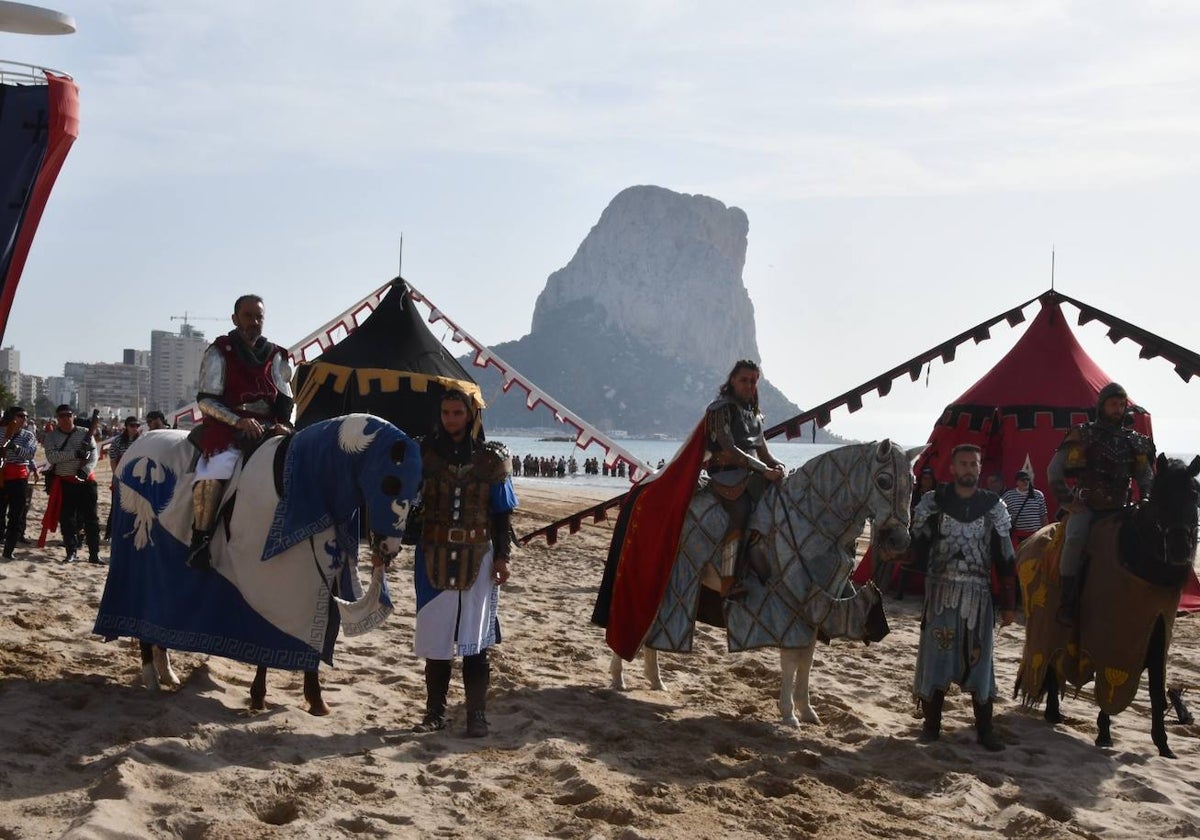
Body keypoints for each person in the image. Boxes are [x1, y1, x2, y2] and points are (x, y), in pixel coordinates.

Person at [412, 389, 517, 737]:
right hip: (432, 556)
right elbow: (402, 500)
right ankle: (435, 713)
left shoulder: (492, 458)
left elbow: (503, 514)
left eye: (457, 412)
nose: (451, 419)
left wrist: (502, 556)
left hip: (479, 555)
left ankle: (476, 715)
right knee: (437, 642)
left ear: (469, 416)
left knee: (476, 641)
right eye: (446, 412)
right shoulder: (422, 453)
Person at [910, 443, 1016, 751]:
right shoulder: (934, 502)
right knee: (936, 658)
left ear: (980, 469)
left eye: (974, 464)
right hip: (940, 591)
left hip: (978, 597)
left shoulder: (993, 506)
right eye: (963, 464)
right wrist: (901, 549)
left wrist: (1009, 605)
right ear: (953, 468)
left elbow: (1005, 557)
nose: (969, 468)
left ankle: (985, 730)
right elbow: (916, 546)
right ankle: (931, 727)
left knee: (980, 662)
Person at [189, 294, 293, 570]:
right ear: (235, 319)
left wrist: (286, 424)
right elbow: (206, 400)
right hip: (228, 429)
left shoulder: (277, 356)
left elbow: (285, 400)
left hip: (268, 429)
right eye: (248, 316)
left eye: (259, 317)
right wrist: (237, 421)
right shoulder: (219, 351)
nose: (254, 322)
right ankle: (200, 538)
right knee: (216, 468)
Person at [1047, 382, 1154, 625]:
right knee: (1075, 537)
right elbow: (1054, 470)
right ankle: (1068, 600)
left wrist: (1146, 497)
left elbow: (1145, 475)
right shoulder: (1083, 433)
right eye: (1113, 404)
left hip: (1122, 510)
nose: (1117, 409)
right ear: (1102, 406)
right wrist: (1067, 501)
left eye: (1121, 405)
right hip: (1088, 507)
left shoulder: (1135, 441)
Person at [703, 359, 786, 599]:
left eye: (753, 381)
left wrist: (777, 465)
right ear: (732, 381)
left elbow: (764, 452)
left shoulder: (756, 416)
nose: (749, 385)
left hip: (750, 474)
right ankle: (728, 581)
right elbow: (729, 449)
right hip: (726, 475)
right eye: (744, 380)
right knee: (740, 513)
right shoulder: (720, 409)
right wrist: (764, 471)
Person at [44, 405, 103, 564]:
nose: (65, 418)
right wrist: (75, 454)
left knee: (91, 519)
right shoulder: (51, 437)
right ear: (57, 418)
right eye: (61, 416)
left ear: (73, 415)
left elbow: (94, 456)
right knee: (67, 519)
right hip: (65, 483)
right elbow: (52, 457)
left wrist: (84, 471)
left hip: (86, 483)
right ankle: (71, 552)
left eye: (68, 415)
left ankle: (94, 554)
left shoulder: (84, 433)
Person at [0, 406, 36, 558]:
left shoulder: (28, 436)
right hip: (1, 476)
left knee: (16, 516)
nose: (24, 419)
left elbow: (29, 454)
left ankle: (9, 550)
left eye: (26, 416)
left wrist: (13, 446)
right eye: (21, 415)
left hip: (19, 478)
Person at [105, 417, 142, 541]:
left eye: (137, 425)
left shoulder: (142, 440)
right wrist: (118, 476)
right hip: (121, 476)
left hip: (137, 477)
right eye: (132, 425)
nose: (135, 428)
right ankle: (109, 534)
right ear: (126, 426)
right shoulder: (118, 441)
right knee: (116, 505)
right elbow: (113, 460)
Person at [1000, 470, 1049, 549]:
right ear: (1017, 482)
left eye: (1027, 479)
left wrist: (1046, 533)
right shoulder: (1009, 496)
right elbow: (999, 513)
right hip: (1018, 537)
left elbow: (1044, 516)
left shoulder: (1038, 495)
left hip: (1036, 536)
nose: (1025, 481)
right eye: (1022, 480)